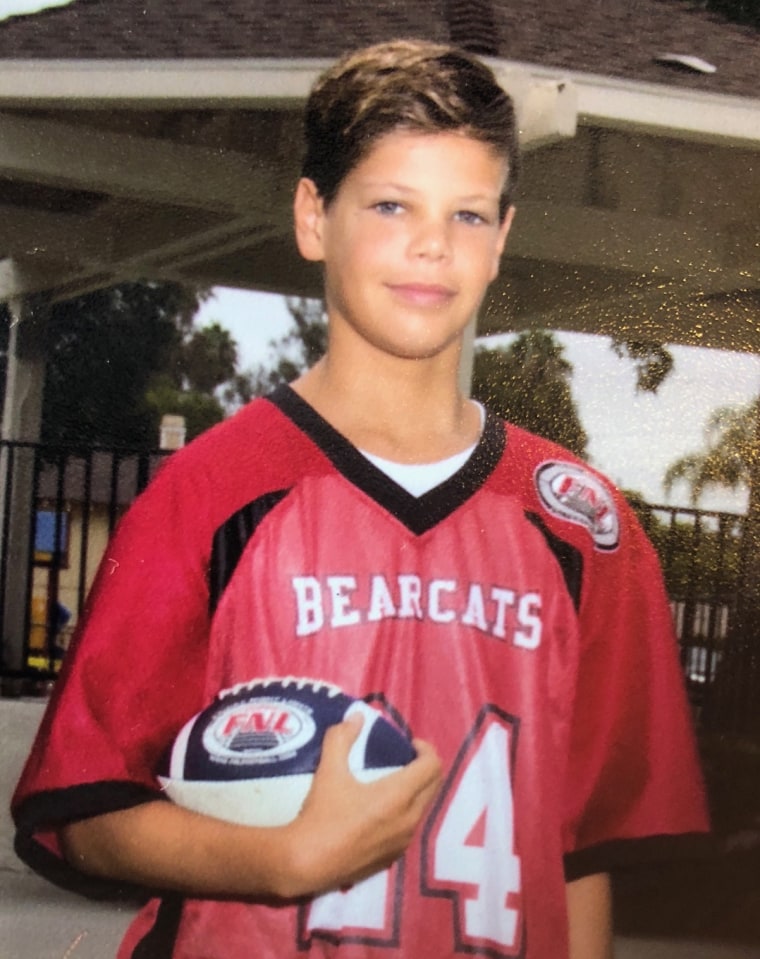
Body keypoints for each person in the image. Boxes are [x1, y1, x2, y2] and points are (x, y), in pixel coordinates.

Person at [12, 39, 708, 959]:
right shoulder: (208, 495)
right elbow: (88, 812)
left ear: (503, 236)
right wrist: (284, 856)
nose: (432, 243)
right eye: (390, 204)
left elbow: (584, 854)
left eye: (467, 213)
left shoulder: (583, 525)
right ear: (314, 217)